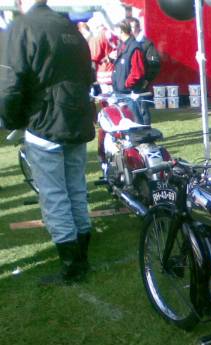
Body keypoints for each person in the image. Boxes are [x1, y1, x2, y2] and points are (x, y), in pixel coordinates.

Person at [0, 0, 96, 285]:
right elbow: (87, 76)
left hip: (45, 123)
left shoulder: (22, 28)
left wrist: (13, 120)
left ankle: (72, 265)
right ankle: (81, 256)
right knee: (76, 190)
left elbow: (8, 85)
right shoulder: (69, 27)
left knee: (54, 195)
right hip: (75, 119)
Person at [112, 20, 148, 125]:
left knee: (135, 120)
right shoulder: (122, 46)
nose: (115, 33)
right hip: (120, 90)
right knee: (124, 120)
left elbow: (138, 71)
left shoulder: (134, 47)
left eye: (116, 30)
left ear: (121, 31)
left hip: (129, 91)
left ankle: (140, 139)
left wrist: (127, 84)